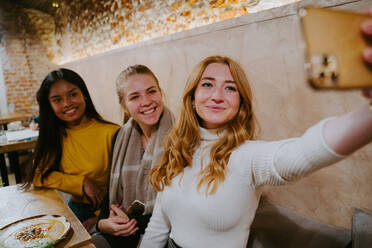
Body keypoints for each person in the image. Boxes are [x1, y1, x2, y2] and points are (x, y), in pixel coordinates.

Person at [139, 21, 372, 248]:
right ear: (192, 96)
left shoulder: (247, 156)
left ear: (240, 104)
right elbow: (159, 224)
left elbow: (302, 153)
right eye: (207, 84)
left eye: (230, 88)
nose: (217, 95)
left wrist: (368, 117)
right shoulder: (177, 148)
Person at [24, 68, 120, 231]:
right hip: (74, 207)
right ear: (50, 105)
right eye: (57, 100)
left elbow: (126, 189)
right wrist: (81, 182)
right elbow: (39, 175)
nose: (67, 103)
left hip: (110, 212)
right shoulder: (55, 134)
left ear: (84, 94)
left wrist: (98, 220)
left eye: (73, 94)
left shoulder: (112, 133)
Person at [92, 65, 174, 248]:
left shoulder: (182, 136)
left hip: (167, 234)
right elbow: (109, 196)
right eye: (135, 97)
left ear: (161, 93)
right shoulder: (119, 138)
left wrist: (129, 221)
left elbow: (181, 207)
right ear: (124, 106)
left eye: (151, 91)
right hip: (124, 229)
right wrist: (102, 223)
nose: (146, 102)